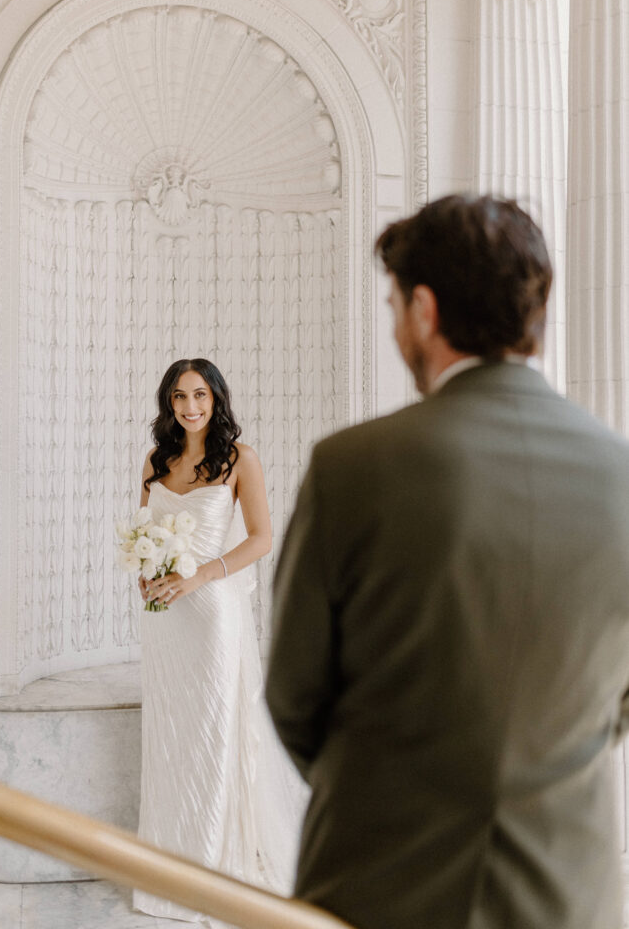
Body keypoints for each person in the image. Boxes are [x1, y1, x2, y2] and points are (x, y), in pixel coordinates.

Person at [265, 195, 629, 929]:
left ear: (424, 310)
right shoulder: (622, 476)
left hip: (376, 886)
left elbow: (295, 696)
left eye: (394, 306)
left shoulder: (350, 467)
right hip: (567, 897)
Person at [134, 358, 304, 924]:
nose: (190, 406)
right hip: (164, 620)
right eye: (180, 396)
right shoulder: (156, 461)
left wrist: (200, 576)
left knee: (211, 734)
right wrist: (145, 577)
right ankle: (168, 867)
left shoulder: (238, 459)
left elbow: (261, 539)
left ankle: (210, 869)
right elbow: (143, 536)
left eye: (200, 395)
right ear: (169, 403)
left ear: (217, 399)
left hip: (212, 617)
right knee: (170, 736)